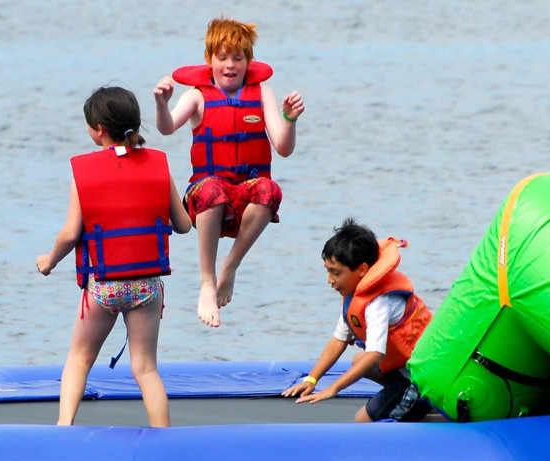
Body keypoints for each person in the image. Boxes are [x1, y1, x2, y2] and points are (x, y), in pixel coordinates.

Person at [36, 86, 191, 427]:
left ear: (98, 130)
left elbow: (70, 234)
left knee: (79, 358)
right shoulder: (159, 166)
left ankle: (64, 430)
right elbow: (183, 225)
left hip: (104, 287)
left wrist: (49, 260)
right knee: (145, 367)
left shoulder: (84, 174)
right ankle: (163, 436)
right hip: (146, 287)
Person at [154, 15, 305, 328]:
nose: (230, 64)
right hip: (206, 199)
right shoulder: (196, 96)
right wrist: (161, 104)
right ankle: (207, 282)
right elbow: (167, 128)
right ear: (209, 60)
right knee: (213, 189)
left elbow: (283, 147)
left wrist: (289, 120)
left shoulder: (263, 94)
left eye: (238, 57)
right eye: (222, 57)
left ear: (248, 60)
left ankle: (231, 265)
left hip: (245, 201)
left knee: (269, 189)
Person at [282, 218, 434, 422]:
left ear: (362, 270)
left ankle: (418, 398)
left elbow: (374, 355)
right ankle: (409, 400)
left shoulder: (377, 302)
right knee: (357, 360)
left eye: (335, 273)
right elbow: (339, 340)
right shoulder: (356, 294)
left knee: (362, 421)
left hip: (421, 376)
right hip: (404, 366)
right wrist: (312, 379)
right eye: (328, 271)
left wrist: (333, 388)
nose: (330, 280)